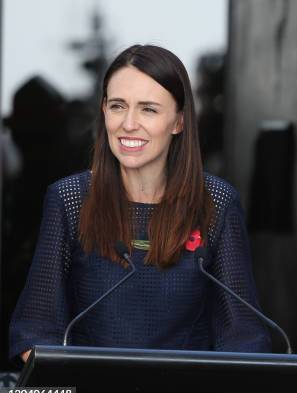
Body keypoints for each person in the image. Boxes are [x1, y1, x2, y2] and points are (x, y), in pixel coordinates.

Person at [8, 45, 271, 364]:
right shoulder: (70, 200)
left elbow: (244, 337)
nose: (129, 124)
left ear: (179, 121)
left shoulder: (215, 202)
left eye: (148, 109)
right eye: (118, 106)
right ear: (104, 111)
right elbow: (37, 327)